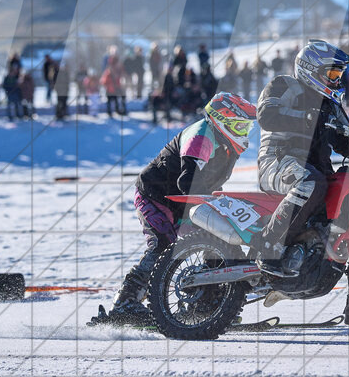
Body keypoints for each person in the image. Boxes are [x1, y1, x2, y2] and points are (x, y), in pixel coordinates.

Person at [96, 92, 257, 326]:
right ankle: (125, 303)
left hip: (183, 201)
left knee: (216, 239)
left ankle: (209, 302)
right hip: (155, 196)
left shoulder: (226, 145)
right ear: (225, 120)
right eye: (241, 126)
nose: (245, 132)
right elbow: (188, 181)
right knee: (163, 245)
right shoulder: (202, 134)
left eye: (247, 127)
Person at [254, 42, 349, 278]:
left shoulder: (330, 105)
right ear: (311, 70)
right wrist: (308, 117)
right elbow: (266, 115)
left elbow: (347, 142)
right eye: (332, 74)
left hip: (315, 169)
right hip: (278, 162)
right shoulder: (284, 85)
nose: (336, 81)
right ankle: (269, 246)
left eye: (339, 75)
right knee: (310, 182)